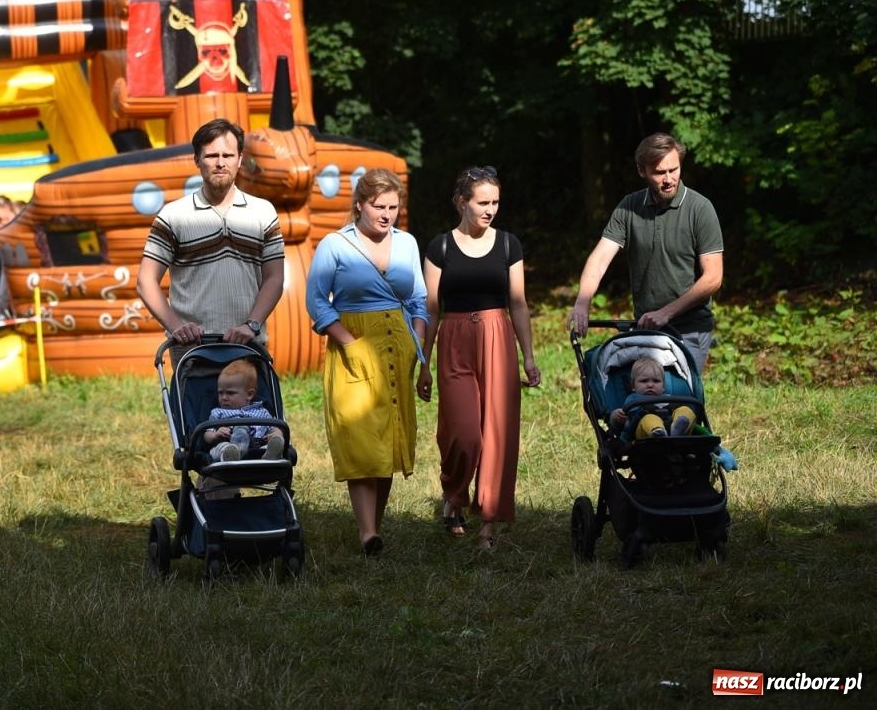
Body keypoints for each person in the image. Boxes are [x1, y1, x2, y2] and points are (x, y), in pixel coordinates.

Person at [305, 167, 428, 556]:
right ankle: (365, 531)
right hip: (355, 346)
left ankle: (377, 525)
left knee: (390, 436)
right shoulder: (335, 245)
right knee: (362, 435)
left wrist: (418, 345)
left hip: (398, 345)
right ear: (360, 205)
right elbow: (315, 301)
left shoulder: (407, 243)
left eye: (393, 207)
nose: (387, 214)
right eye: (379, 206)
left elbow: (419, 300)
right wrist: (348, 341)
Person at [419, 165, 540, 551]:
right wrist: (424, 363)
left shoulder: (508, 245)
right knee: (463, 434)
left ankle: (487, 523)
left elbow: (518, 304)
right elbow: (432, 309)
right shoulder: (439, 247)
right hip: (454, 338)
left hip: (497, 336)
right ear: (462, 203)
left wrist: (529, 357)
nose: (490, 210)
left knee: (498, 434)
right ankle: (454, 494)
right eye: (483, 202)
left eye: (496, 202)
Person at [568, 132, 725, 368]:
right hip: (646, 326)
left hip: (690, 329)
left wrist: (666, 313)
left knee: (676, 397)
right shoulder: (629, 207)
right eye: (660, 172)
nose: (669, 179)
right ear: (642, 171)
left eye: (674, 169)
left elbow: (713, 277)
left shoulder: (700, 209)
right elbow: (600, 259)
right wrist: (582, 301)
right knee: (643, 396)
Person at [137, 119, 285, 358]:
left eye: (227, 155)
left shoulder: (263, 212)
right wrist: (176, 327)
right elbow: (146, 280)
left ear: (240, 159)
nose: (220, 163)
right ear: (196, 160)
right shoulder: (173, 216)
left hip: (248, 345)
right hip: (191, 350)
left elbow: (275, 278)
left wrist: (252, 325)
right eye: (211, 156)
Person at [203, 358, 286, 462]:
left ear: (249, 394)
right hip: (228, 444)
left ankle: (271, 454)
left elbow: (273, 427)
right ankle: (230, 455)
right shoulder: (218, 412)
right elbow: (207, 435)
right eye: (220, 393)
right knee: (222, 448)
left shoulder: (261, 412)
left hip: (257, 449)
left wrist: (276, 434)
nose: (224, 397)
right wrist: (215, 435)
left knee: (270, 445)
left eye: (230, 393)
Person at [610, 356, 698, 440]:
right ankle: (658, 432)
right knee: (649, 418)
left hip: (671, 426)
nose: (650, 385)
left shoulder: (669, 398)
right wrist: (615, 418)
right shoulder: (632, 399)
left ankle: (679, 428)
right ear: (633, 386)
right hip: (644, 433)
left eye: (656, 381)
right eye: (644, 381)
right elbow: (622, 427)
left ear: (663, 386)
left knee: (686, 409)